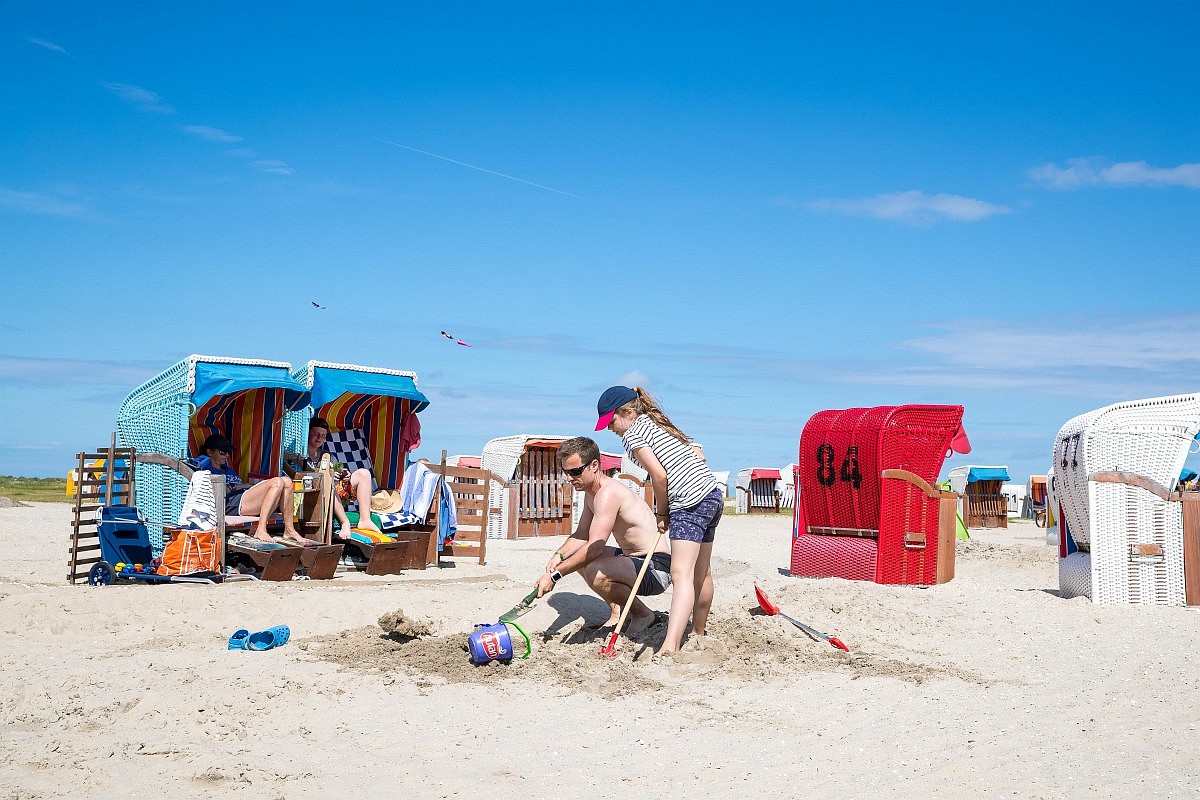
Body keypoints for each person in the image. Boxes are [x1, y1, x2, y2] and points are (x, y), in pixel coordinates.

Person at [595, 385, 722, 655]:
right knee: (702, 572)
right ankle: (698, 632)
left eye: (611, 421)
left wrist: (662, 513)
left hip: (688, 500)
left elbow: (660, 476)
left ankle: (670, 646)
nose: (610, 429)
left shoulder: (633, 435)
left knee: (681, 574)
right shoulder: (654, 422)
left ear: (627, 412)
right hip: (711, 494)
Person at [534, 437, 671, 635]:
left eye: (575, 471)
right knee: (577, 559)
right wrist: (558, 557)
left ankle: (642, 614)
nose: (569, 478)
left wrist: (555, 576)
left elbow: (595, 547)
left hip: (655, 568)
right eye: (566, 472)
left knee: (596, 571)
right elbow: (581, 535)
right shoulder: (592, 494)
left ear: (594, 465)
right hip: (632, 560)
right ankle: (617, 610)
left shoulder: (608, 493)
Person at [192, 433, 313, 546]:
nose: (227, 456)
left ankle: (289, 530)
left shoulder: (227, 469)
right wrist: (240, 486)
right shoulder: (206, 470)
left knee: (286, 481)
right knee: (277, 482)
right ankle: (261, 529)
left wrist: (243, 486)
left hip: (243, 498)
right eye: (223, 452)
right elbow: (216, 491)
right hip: (232, 503)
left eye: (228, 452)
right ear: (209, 452)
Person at [301, 417, 382, 537]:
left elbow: (339, 468)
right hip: (313, 494)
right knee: (328, 482)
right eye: (316, 434)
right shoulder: (301, 454)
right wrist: (329, 476)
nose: (319, 438)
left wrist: (345, 474)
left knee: (363, 473)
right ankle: (345, 522)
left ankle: (365, 519)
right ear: (308, 434)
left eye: (323, 435)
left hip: (336, 495)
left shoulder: (327, 455)